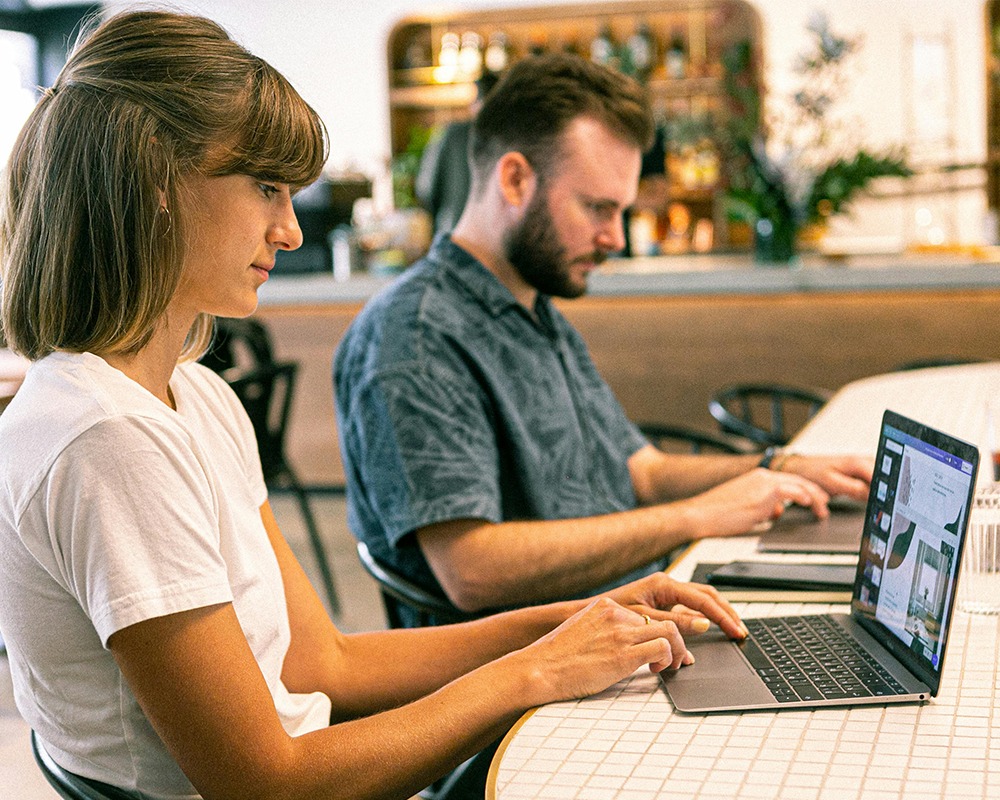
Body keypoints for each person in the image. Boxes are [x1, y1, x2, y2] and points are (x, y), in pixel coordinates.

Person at [0, 11, 748, 800]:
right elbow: (267, 783)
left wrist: (581, 617)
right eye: (266, 189)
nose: (289, 230)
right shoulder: (107, 439)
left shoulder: (195, 394)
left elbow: (324, 663)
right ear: (154, 179)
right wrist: (534, 671)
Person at [334, 53, 873, 626]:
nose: (615, 237)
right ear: (514, 178)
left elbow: (640, 471)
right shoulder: (415, 337)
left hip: (627, 617)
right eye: (596, 207)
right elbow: (471, 569)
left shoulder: (533, 307)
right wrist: (694, 517)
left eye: (620, 210)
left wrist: (778, 467)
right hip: (528, 675)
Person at [414, 72, 500, 236]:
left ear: (474, 103)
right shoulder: (511, 137)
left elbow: (426, 187)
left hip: (453, 234)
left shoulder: (452, 134)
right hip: (496, 242)